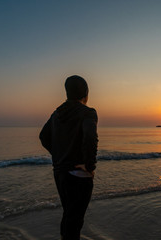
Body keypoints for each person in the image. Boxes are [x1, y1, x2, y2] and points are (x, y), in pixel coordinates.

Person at [39, 75, 98, 240]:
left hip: (60, 172)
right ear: (86, 93)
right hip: (78, 173)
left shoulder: (57, 113)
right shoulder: (88, 112)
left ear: (67, 93)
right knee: (75, 220)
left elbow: (43, 136)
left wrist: (60, 157)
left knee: (69, 215)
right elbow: (90, 137)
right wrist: (90, 166)